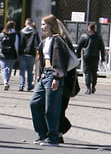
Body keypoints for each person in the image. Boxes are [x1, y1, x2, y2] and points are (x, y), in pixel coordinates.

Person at [30, 15, 74, 146]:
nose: (42, 27)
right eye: (42, 24)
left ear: (51, 25)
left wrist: (57, 77)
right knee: (35, 103)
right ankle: (42, 134)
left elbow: (59, 60)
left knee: (51, 108)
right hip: (45, 75)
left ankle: (53, 137)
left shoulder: (57, 40)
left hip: (53, 75)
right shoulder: (45, 40)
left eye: (44, 24)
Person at [76, 21, 106, 95]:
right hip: (95, 56)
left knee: (87, 72)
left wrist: (78, 55)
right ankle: (93, 87)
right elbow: (102, 48)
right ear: (94, 28)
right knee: (94, 72)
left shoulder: (84, 36)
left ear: (88, 28)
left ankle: (88, 88)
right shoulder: (98, 37)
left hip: (86, 56)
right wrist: (103, 57)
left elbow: (79, 47)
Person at [17, 18, 39, 91]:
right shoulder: (35, 33)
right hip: (31, 54)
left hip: (22, 54)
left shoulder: (21, 32)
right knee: (30, 70)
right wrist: (37, 53)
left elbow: (18, 43)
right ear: (32, 24)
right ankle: (29, 85)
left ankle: (21, 85)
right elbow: (37, 43)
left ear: (25, 24)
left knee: (22, 70)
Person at [0, 20, 19, 90]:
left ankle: (5, 82)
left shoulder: (1, 34)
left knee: (3, 69)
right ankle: (7, 80)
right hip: (12, 53)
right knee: (9, 69)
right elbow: (16, 46)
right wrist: (17, 54)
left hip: (2, 53)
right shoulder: (15, 35)